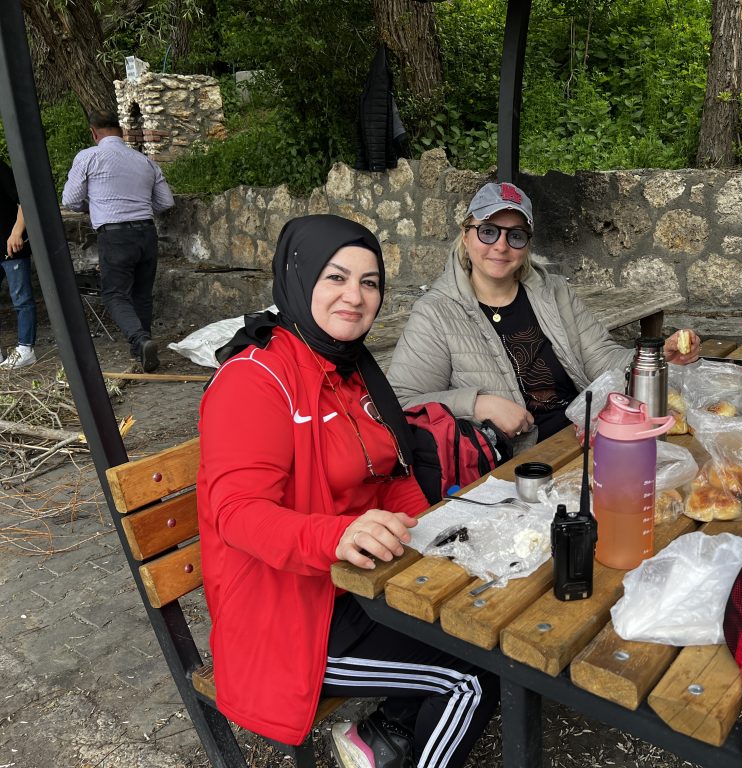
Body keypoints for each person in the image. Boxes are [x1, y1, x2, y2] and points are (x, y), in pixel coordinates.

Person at [197, 214, 498, 768]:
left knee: (485, 615)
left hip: (359, 584)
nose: (355, 297)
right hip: (291, 618)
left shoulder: (350, 368)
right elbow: (236, 514)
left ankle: (386, 733)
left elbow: (393, 475)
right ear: (299, 276)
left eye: (369, 282)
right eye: (335, 277)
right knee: (473, 676)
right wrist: (337, 536)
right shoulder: (255, 378)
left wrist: (434, 538)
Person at [388, 181, 701, 452]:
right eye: (488, 232)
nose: (501, 246)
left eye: (515, 236)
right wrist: (478, 404)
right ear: (466, 236)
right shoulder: (436, 312)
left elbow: (602, 360)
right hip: (512, 464)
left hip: (582, 440)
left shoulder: (553, 292)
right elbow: (401, 403)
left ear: (526, 244)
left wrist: (655, 360)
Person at [61, 110, 174, 372]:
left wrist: (93, 206)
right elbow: (166, 202)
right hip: (146, 232)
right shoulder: (144, 161)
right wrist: (137, 207)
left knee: (114, 294)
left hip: (115, 235)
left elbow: (70, 200)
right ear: (121, 131)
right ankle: (141, 351)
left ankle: (140, 340)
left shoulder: (88, 157)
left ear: (93, 132)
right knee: (142, 294)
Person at [0, 160, 36, 369]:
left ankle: (26, 349)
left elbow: (25, 201)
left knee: (21, 298)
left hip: (11, 246)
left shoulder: (1, 169)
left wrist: (16, 233)